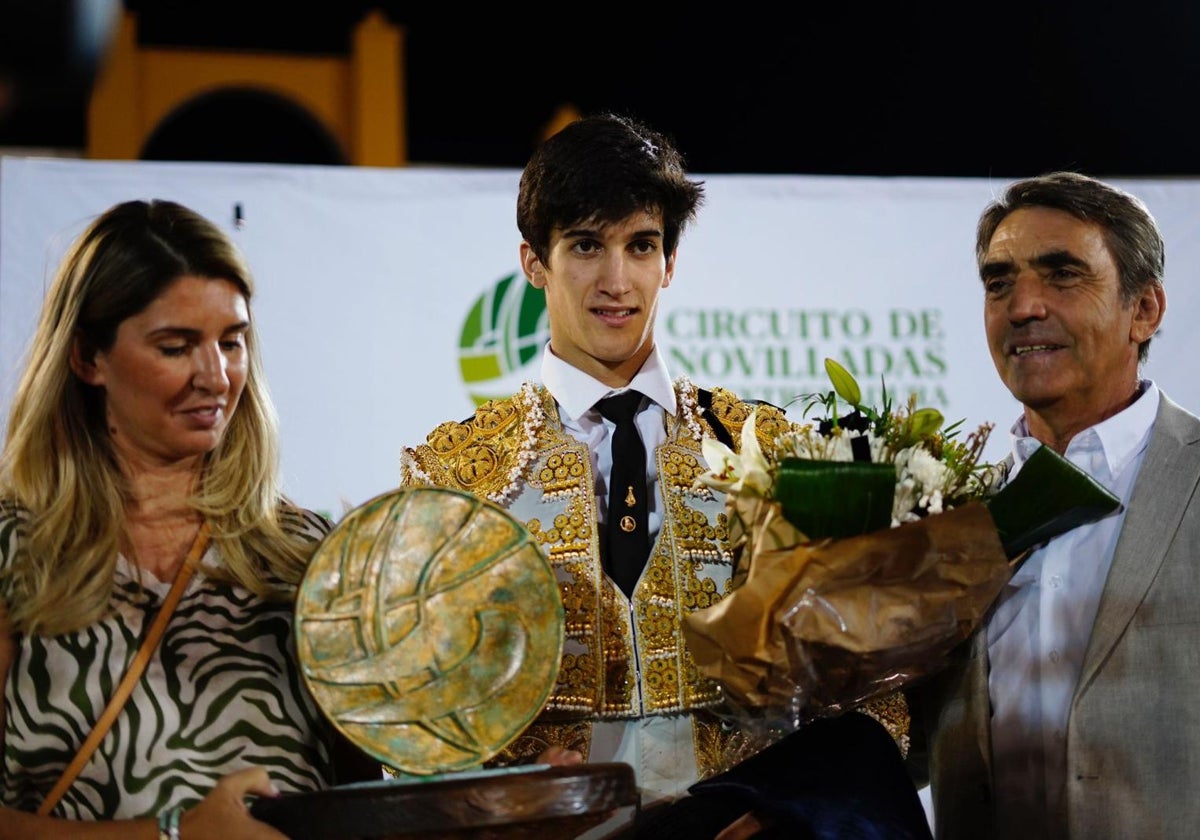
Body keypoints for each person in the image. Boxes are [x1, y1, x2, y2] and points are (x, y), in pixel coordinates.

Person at [401, 112, 927, 840]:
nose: (616, 281)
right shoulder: (453, 474)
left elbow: (867, 689)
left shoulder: (772, 450)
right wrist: (493, 797)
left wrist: (781, 810)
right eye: (586, 245)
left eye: (640, 245)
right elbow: (408, 714)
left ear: (669, 263)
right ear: (533, 262)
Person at [0, 199, 376, 837]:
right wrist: (176, 835)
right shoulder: (15, 546)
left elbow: (371, 795)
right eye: (176, 347)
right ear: (87, 359)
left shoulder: (307, 553)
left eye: (232, 342)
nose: (216, 377)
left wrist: (500, 787)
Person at [907, 171, 1200, 839]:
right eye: (998, 282)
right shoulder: (948, 516)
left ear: (1145, 310)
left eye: (1062, 274)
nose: (1022, 306)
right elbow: (908, 740)